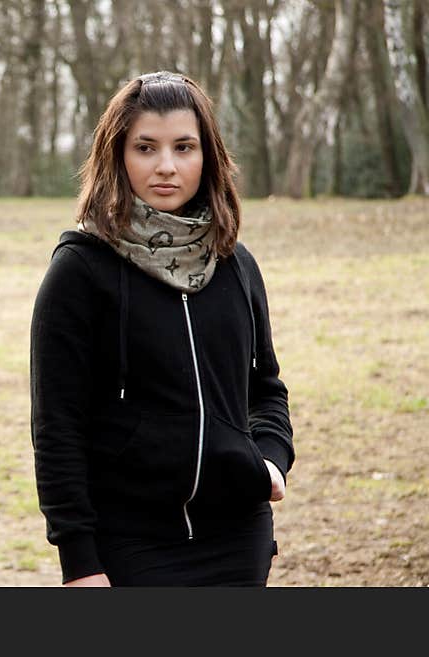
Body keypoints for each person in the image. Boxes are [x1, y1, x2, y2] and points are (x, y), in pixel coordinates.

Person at [29, 71, 294, 587]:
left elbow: (266, 388)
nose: (166, 166)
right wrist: (80, 562)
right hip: (130, 545)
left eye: (184, 147)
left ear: (207, 157)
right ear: (118, 155)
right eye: (146, 147)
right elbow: (56, 426)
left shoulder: (236, 264)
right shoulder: (80, 272)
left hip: (239, 539)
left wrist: (271, 460)